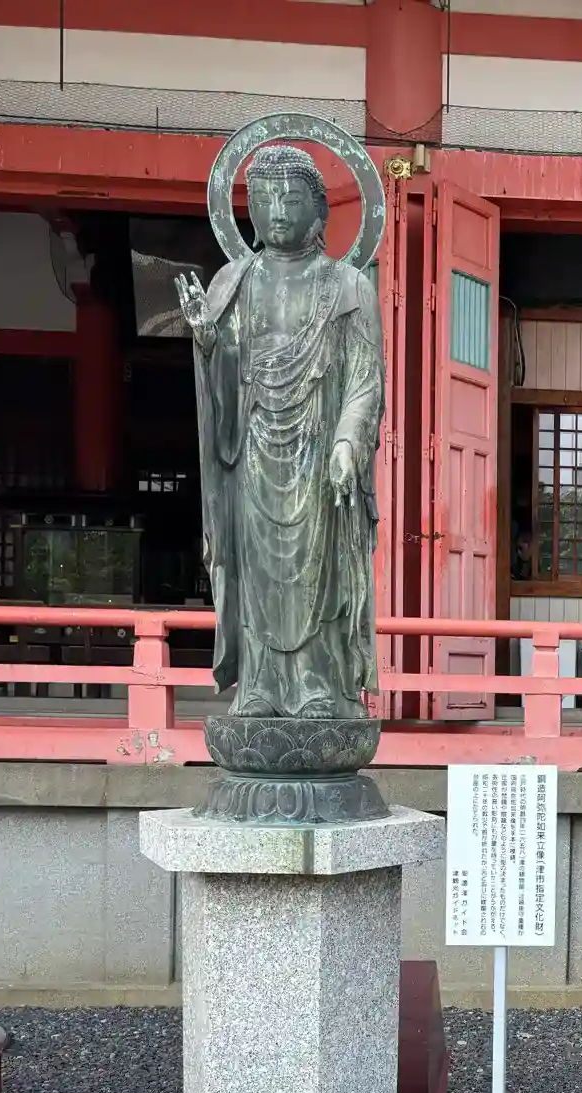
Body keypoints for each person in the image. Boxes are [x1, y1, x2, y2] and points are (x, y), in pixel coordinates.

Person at [176, 145, 383, 720]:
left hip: (318, 448)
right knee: (260, 571)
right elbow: (226, 373)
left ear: (319, 211)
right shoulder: (233, 281)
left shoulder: (349, 286)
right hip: (255, 448)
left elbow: (365, 378)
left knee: (316, 569)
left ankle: (319, 685)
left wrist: (347, 443)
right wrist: (208, 341)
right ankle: (261, 685)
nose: (278, 212)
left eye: (291, 199)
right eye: (264, 200)